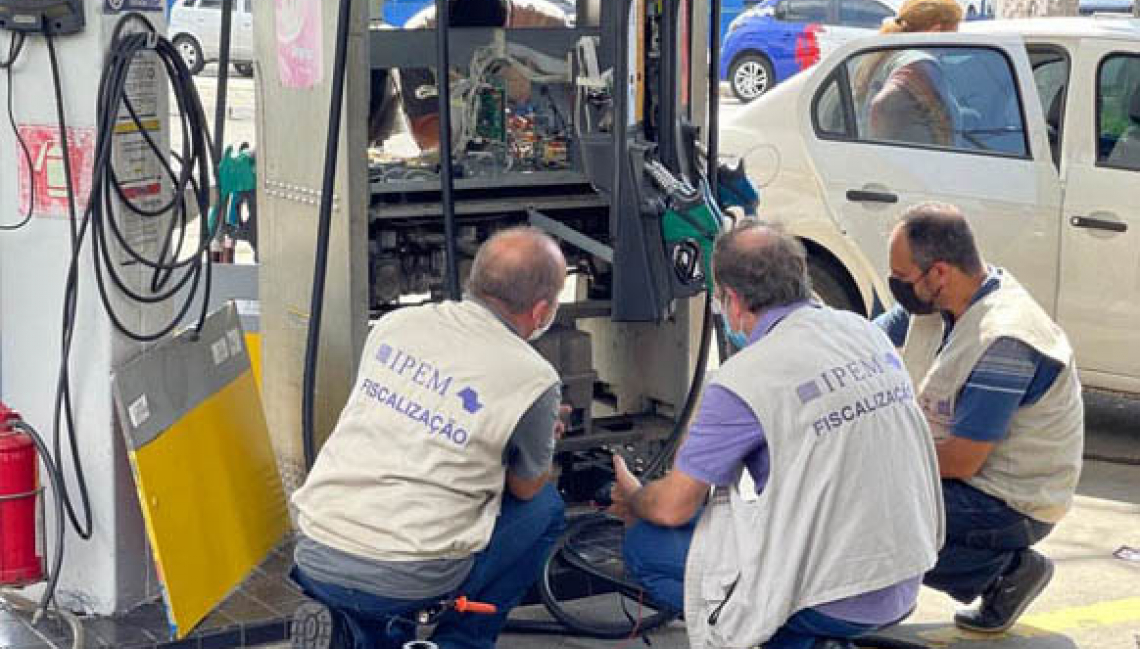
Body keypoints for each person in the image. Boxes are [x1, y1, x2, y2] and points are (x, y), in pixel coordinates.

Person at [612, 222, 945, 649]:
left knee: (646, 545)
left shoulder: (745, 379)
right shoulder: (862, 332)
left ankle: (764, 632)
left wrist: (636, 498)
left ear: (731, 300)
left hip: (837, 596)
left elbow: (674, 506)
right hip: (905, 571)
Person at [290, 226, 569, 649]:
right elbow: (526, 487)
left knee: (386, 581)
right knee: (546, 509)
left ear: (475, 279)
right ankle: (455, 642)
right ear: (541, 311)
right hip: (411, 573)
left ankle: (352, 632)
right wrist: (536, 438)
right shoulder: (534, 379)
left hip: (317, 541)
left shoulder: (394, 325)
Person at [876, 202, 1085, 633]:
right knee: (858, 491)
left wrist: (876, 457)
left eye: (901, 278)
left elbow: (961, 461)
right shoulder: (936, 303)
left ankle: (1005, 571)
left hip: (1012, 498)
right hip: (967, 476)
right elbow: (862, 342)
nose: (896, 287)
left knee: (870, 508)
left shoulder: (1005, 339)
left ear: (939, 273)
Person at [373, 0, 569, 150]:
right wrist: (480, 122)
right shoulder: (420, 37)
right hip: (463, 167)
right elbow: (426, 136)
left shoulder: (546, 26)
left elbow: (571, 111)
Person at [851, 0, 962, 147]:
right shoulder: (919, 62)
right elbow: (883, 104)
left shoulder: (884, 53)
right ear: (935, 31)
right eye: (953, 34)